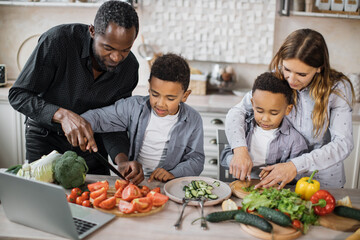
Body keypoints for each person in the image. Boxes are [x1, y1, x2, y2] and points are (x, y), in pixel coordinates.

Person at [8, 0, 139, 175]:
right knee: (46, 200)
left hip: (91, 147)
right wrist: (62, 115)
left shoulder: (129, 68)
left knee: (93, 201)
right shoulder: (57, 41)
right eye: (108, 48)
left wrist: (122, 161)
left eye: (125, 50)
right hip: (45, 139)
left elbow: (114, 121)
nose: (116, 57)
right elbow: (18, 95)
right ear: (92, 31)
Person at [225, 28, 355, 189]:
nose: (291, 80)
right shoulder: (277, 77)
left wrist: (295, 165)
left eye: (301, 74)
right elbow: (237, 112)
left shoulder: (337, 89)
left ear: (319, 68)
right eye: (287, 69)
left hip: (321, 182)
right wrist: (239, 150)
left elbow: (343, 144)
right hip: (281, 182)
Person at [81, 53, 205, 184]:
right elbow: (98, 117)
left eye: (170, 98)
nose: (160, 103)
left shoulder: (193, 119)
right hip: (133, 180)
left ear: (185, 96)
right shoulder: (134, 106)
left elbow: (196, 160)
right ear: (149, 86)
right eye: (155, 94)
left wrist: (173, 174)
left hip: (168, 184)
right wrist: (81, 127)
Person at [220, 72, 308, 180]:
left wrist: (276, 174)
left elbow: (300, 174)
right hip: (242, 187)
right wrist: (235, 159)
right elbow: (224, 158)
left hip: (274, 193)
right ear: (252, 104)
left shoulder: (295, 140)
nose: (265, 118)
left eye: (274, 113)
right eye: (259, 111)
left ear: (287, 109)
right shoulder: (243, 128)